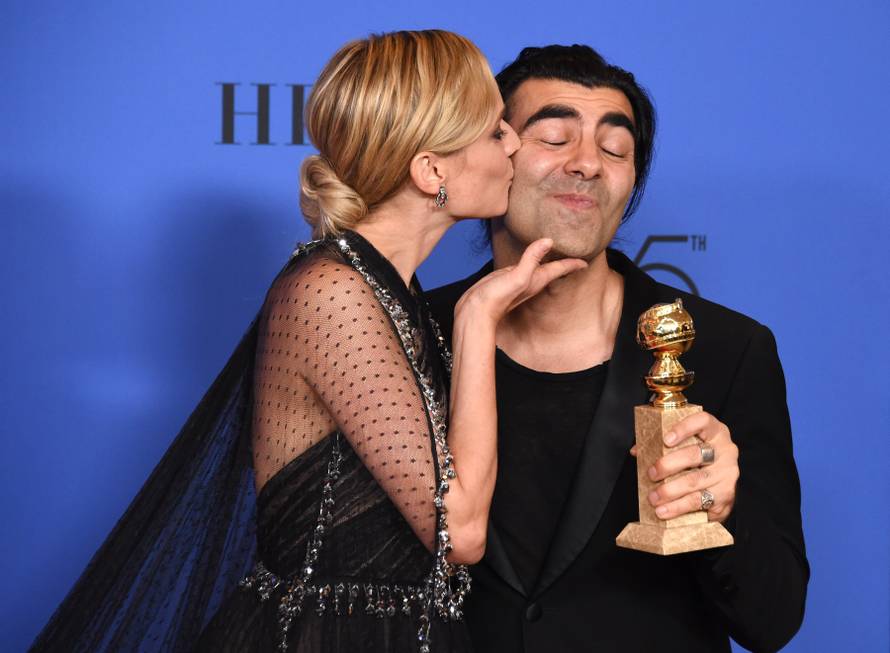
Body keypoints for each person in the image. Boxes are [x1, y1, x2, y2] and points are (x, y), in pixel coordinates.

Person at [30, 31, 586, 653]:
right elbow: (458, 531)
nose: (514, 143)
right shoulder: (333, 292)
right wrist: (479, 318)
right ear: (431, 170)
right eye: (493, 132)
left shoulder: (393, 291)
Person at [426, 44, 809, 653]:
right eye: (554, 137)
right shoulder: (409, 333)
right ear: (492, 154)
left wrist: (722, 510)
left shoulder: (726, 349)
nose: (586, 164)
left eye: (615, 149)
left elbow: (775, 620)